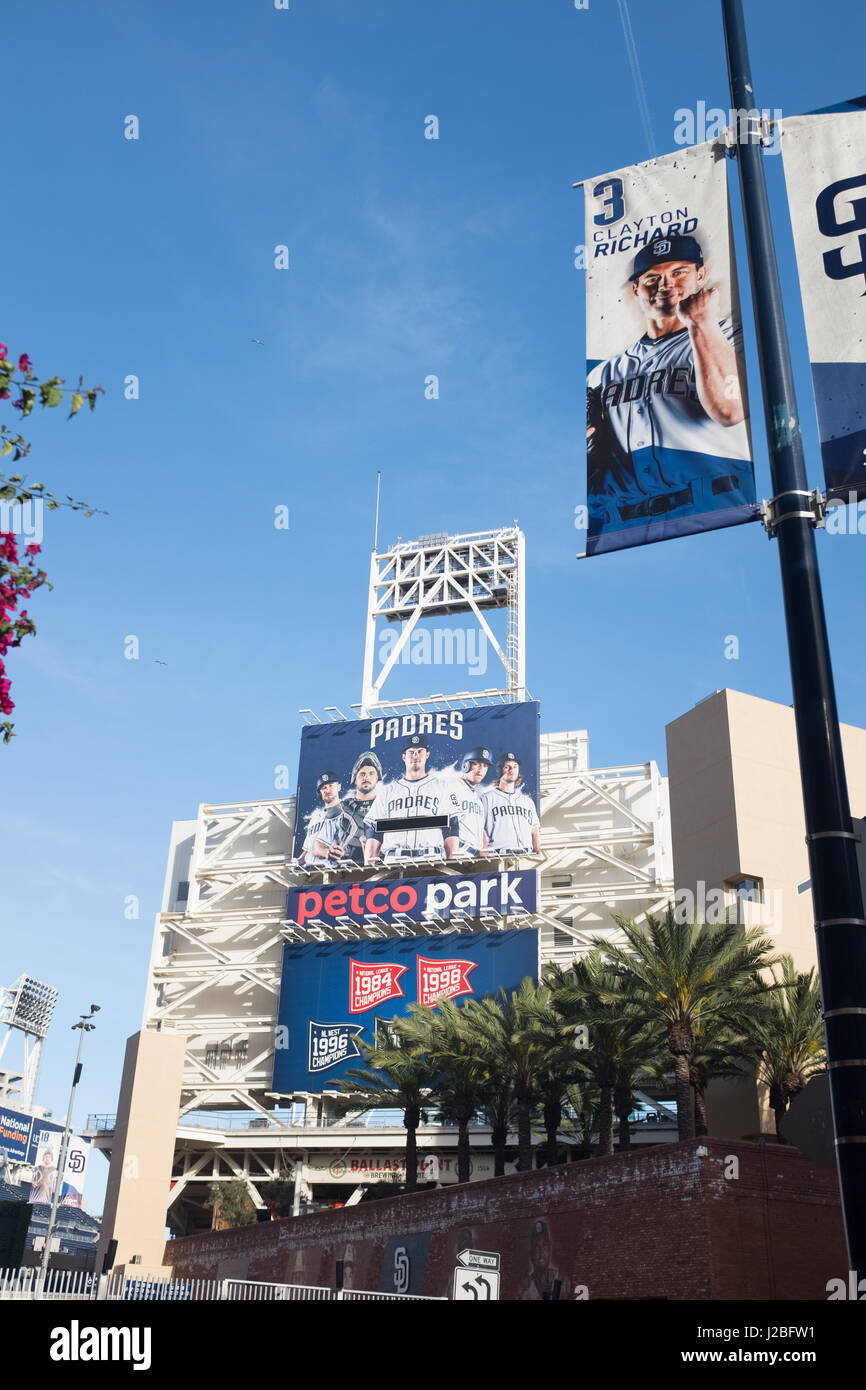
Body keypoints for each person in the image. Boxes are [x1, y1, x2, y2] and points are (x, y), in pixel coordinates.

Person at [586, 234, 752, 541]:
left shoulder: (728, 338)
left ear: (700, 274)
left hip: (717, 512)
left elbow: (730, 409)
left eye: (679, 272)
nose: (666, 284)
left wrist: (701, 322)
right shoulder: (601, 374)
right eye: (652, 278)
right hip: (626, 528)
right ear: (635, 289)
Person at [364, 734, 458, 863]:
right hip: (394, 859)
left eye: (420, 751)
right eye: (411, 752)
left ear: (427, 754)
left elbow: (452, 826)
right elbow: (375, 831)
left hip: (431, 858)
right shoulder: (388, 792)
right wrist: (369, 865)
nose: (415, 755)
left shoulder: (442, 787)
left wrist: (452, 861)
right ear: (404, 756)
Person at [483, 752, 541, 854]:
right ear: (499, 770)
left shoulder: (527, 801)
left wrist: (537, 850)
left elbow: (534, 830)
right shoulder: (487, 799)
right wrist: (484, 853)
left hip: (526, 854)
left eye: (515, 767)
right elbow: (480, 829)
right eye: (507, 767)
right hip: (498, 854)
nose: (512, 770)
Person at [299, 772, 352, 867]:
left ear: (339, 787)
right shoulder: (315, 818)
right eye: (323, 788)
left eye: (331, 786)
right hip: (310, 870)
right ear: (320, 793)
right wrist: (298, 862)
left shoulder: (347, 812)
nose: (327, 790)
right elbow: (306, 851)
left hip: (332, 868)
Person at [339, 752, 383, 866]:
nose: (366, 777)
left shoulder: (386, 805)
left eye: (371, 773)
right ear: (355, 778)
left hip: (380, 865)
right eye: (362, 774)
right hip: (345, 868)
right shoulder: (343, 807)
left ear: (377, 777)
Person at [448, 746, 492, 859]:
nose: (481, 769)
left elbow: (481, 830)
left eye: (485, 766)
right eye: (477, 764)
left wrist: (484, 854)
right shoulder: (453, 786)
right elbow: (447, 823)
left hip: (475, 857)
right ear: (465, 765)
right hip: (459, 852)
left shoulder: (477, 798)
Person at [519, 1219, 567, 1300]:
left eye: (544, 1245)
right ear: (531, 1253)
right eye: (537, 1247)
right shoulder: (524, 1290)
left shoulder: (563, 1281)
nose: (541, 1252)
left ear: (549, 1250)